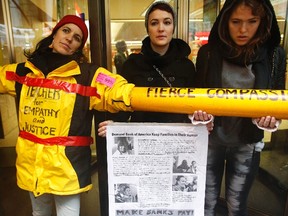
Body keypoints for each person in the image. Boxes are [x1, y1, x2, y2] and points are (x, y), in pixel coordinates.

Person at [0, 15, 136, 216]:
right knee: (39, 213)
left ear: (78, 47)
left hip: (67, 169)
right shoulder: (23, 71)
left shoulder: (90, 75)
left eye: (77, 37)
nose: (70, 38)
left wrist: (144, 97)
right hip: (33, 165)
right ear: (54, 34)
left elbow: (117, 89)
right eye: (66, 31)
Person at [195, 0, 286, 215]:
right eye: (236, 21)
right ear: (225, 21)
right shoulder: (208, 53)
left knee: (236, 206)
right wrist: (199, 115)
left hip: (247, 143)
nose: (243, 30)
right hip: (210, 141)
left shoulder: (274, 55)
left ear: (263, 22)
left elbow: (277, 99)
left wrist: (272, 118)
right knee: (206, 204)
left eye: (252, 21)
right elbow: (196, 97)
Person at [98, 1, 214, 137]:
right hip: (142, 141)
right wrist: (114, 125)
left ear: (173, 27)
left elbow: (193, 106)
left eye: (167, 22)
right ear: (147, 28)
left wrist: (201, 119)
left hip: (176, 141)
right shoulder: (132, 64)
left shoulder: (186, 66)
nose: (161, 28)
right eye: (154, 23)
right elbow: (122, 105)